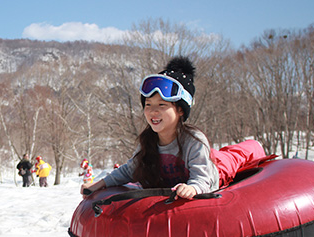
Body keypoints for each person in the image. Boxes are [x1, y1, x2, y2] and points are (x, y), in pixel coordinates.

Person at [82, 56, 265, 200]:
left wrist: (192, 188)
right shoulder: (148, 141)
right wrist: (100, 184)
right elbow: (130, 169)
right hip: (198, 161)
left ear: (179, 110)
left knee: (234, 155)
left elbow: (203, 179)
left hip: (216, 166)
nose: (153, 111)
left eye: (162, 105)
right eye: (148, 105)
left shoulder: (194, 140)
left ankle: (254, 145)